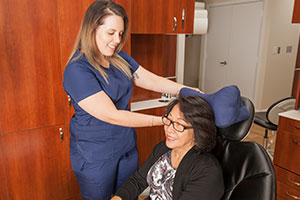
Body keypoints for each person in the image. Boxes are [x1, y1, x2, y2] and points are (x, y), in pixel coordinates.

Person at [62, 0, 200, 199]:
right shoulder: (77, 69)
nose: (117, 40)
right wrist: (165, 121)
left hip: (125, 146)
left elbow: (150, 79)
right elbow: (112, 115)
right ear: (91, 28)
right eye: (111, 33)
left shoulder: (120, 59)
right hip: (95, 154)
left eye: (120, 33)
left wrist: (187, 90)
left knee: (128, 195)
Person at [111, 95, 224, 200]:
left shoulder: (207, 171)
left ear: (198, 130)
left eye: (179, 125)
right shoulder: (163, 148)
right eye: (169, 120)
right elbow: (138, 181)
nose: (169, 129)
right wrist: (118, 198)